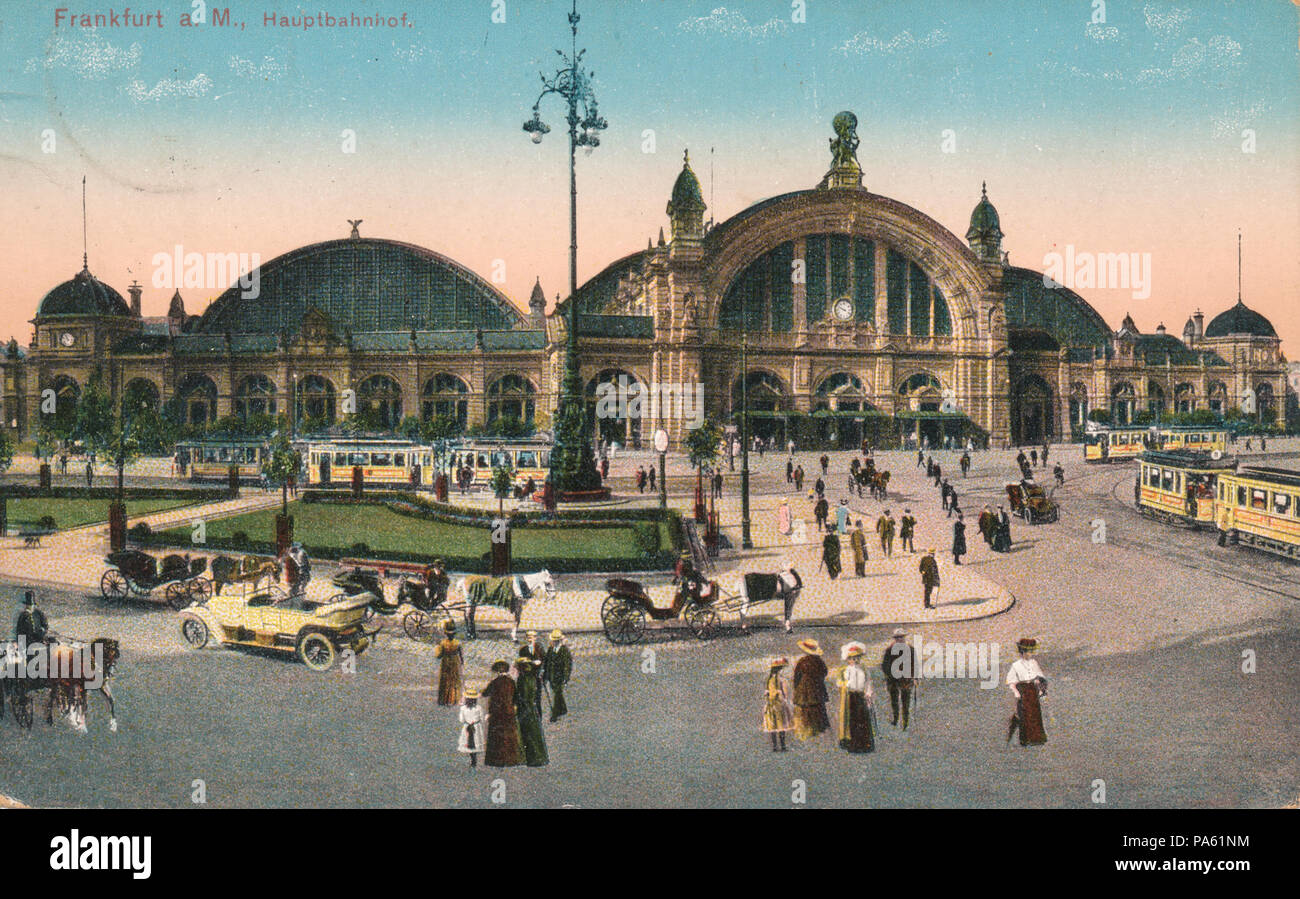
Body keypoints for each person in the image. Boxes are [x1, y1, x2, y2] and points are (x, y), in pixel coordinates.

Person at [481, 660, 524, 768]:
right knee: (509, 736)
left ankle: (496, 760)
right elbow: (516, 698)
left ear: (497, 671)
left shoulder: (495, 682)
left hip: (497, 713)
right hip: (509, 712)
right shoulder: (511, 682)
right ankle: (511, 759)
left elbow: (485, 693)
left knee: (497, 737)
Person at [1006, 638, 1048, 746]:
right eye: (1028, 652)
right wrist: (1016, 692)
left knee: (1035, 713)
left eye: (1031, 651)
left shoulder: (1034, 663)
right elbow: (1010, 681)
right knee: (1024, 714)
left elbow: (1040, 676)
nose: (1030, 654)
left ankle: (1037, 738)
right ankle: (1025, 739)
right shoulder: (1016, 665)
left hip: (1032, 689)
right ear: (1022, 652)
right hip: (1023, 689)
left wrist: (1041, 687)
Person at [837, 642, 875, 753]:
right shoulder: (844, 670)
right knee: (852, 720)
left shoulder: (863, 669)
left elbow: (868, 681)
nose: (855, 660)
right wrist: (845, 684)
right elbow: (839, 682)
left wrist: (868, 693)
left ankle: (865, 744)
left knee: (863, 720)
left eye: (857, 658)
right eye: (852, 658)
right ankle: (853, 744)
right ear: (848, 659)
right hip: (850, 697)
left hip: (861, 696)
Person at [792, 639, 830, 740]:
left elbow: (796, 676)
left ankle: (807, 729)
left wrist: (796, 688)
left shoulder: (802, 661)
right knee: (818, 707)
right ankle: (819, 728)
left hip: (804, 689)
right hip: (817, 688)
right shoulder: (819, 661)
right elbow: (825, 672)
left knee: (805, 708)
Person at [514, 656, 549, 766]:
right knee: (533, 734)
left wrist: (517, 703)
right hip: (531, 709)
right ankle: (536, 758)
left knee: (529, 734)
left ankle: (533, 759)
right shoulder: (532, 677)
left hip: (526, 709)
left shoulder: (523, 679)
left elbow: (524, 696)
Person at [880, 628, 917, 729]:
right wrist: (890, 674)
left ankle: (905, 722)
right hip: (893, 680)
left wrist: (915, 678)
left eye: (901, 637)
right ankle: (895, 719)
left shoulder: (910, 649)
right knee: (894, 700)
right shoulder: (889, 650)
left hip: (906, 679)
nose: (900, 639)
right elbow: (885, 665)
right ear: (894, 639)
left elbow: (914, 664)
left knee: (906, 701)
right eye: (897, 638)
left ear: (904, 638)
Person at [761, 657, 795, 752]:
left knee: (773, 726)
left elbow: (767, 693)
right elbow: (784, 692)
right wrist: (784, 699)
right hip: (779, 704)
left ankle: (775, 746)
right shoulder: (780, 679)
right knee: (781, 725)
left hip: (771, 704)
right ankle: (783, 746)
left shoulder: (769, 679)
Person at [543, 629, 572, 723]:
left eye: (556, 641)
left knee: (556, 694)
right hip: (551, 676)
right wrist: (545, 676)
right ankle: (563, 709)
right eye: (553, 641)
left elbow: (567, 665)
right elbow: (546, 663)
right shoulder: (550, 649)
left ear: (559, 641)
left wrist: (566, 678)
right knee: (557, 693)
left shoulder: (564, 651)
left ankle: (554, 714)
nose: (554, 642)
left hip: (560, 677)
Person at [433, 619, 464, 706]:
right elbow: (461, 656)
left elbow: (438, 655)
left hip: (445, 663)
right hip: (455, 662)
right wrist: (461, 663)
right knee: (455, 680)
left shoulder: (443, 643)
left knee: (445, 680)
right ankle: (454, 699)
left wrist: (437, 647)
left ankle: (445, 699)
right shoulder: (458, 643)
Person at [520, 631, 547, 715]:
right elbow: (521, 663)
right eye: (528, 638)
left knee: (537, 697)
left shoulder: (539, 648)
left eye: (532, 638)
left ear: (535, 638)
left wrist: (542, 670)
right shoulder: (523, 650)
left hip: (537, 676)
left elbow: (545, 661)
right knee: (528, 696)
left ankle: (538, 715)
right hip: (528, 676)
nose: (530, 640)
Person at [458, 688, 486, 768]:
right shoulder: (479, 708)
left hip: (467, 727)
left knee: (469, 741)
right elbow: (482, 718)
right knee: (475, 741)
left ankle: (472, 759)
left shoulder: (463, 708)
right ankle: (474, 759)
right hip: (476, 727)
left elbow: (461, 720)